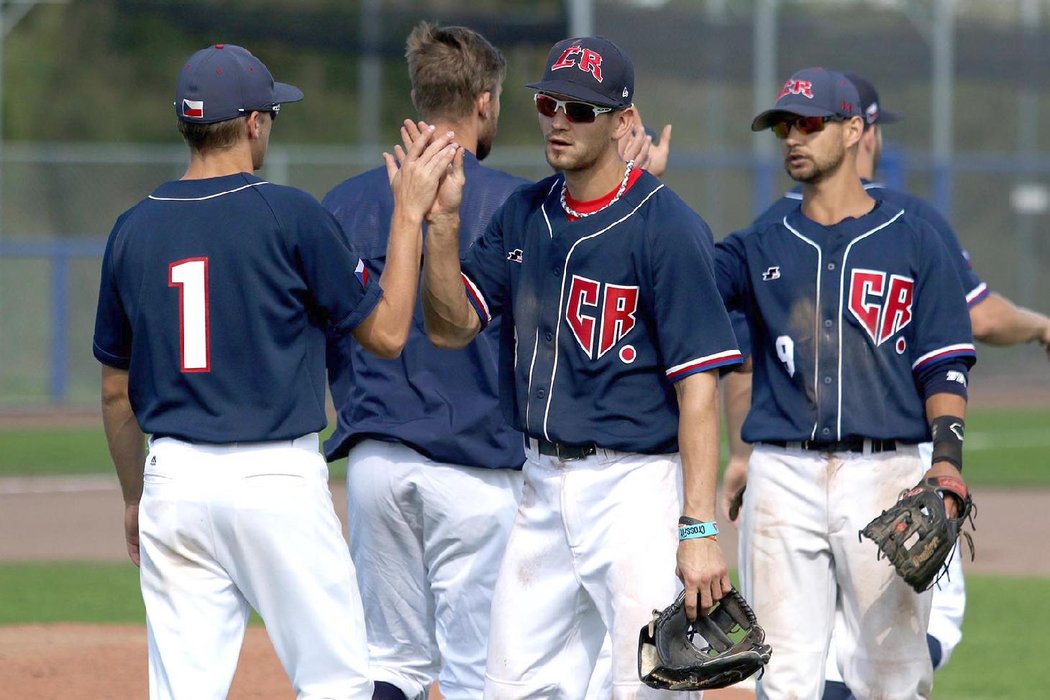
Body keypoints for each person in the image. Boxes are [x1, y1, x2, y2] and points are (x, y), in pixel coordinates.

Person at [93, 43, 458, 700]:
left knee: (183, 691)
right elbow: (388, 332)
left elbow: (116, 392)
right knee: (335, 684)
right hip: (273, 481)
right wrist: (408, 215)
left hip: (171, 478)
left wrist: (133, 498)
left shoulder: (131, 228)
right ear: (254, 123)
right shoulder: (289, 214)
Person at [420, 35, 742, 698]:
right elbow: (451, 327)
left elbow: (699, 392)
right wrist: (444, 223)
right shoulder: (523, 213)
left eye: (581, 109)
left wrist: (700, 529)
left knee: (647, 685)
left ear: (624, 122)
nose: (559, 119)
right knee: (508, 686)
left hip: (635, 491)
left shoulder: (666, 226)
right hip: (539, 483)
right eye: (549, 103)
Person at [722, 71, 1050, 697]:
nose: (793, 136)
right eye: (784, 125)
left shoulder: (915, 236)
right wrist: (641, 187)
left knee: (893, 676)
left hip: (886, 473)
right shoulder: (759, 241)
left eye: (810, 123)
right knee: (785, 678)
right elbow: (725, 341)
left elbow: (945, 359)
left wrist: (947, 462)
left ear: (853, 131)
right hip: (783, 472)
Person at [321, 22, 526, 700]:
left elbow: (329, 335)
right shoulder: (519, 207)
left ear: (417, 96)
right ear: (485, 101)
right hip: (478, 467)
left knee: (391, 663)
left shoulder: (346, 203)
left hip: (377, 460)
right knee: (477, 671)